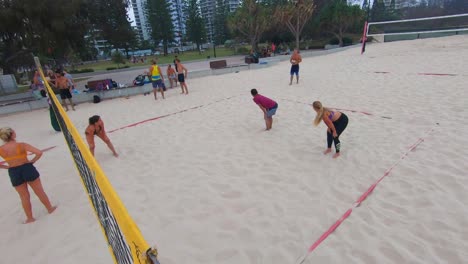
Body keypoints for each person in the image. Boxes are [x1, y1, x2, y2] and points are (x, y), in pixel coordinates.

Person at [0, 127, 56, 224]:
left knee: (24, 196)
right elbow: (39, 152)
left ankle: (30, 218)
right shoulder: (21, 145)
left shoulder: (1, 149)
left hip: (13, 171)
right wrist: (32, 161)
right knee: (39, 191)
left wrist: (7, 167)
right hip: (27, 168)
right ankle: (50, 209)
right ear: (12, 134)